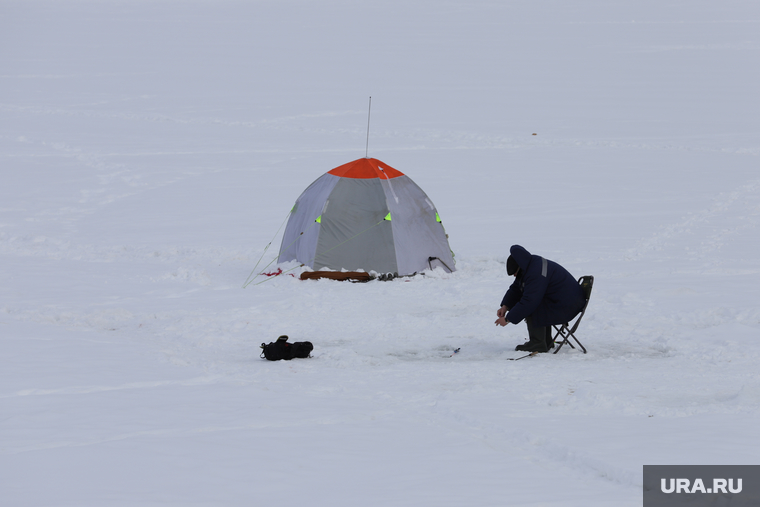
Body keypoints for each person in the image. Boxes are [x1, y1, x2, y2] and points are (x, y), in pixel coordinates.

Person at [494, 245, 586, 353]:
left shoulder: (536, 273)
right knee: (536, 302)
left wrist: (507, 319)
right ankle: (546, 341)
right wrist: (505, 306)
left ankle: (537, 344)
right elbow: (516, 289)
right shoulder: (530, 265)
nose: (514, 276)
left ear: (520, 267)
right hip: (565, 301)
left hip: (568, 306)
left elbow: (529, 301)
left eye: (515, 273)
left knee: (532, 305)